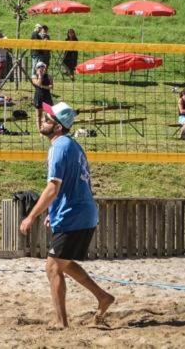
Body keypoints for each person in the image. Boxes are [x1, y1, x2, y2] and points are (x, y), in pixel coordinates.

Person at [20, 101, 115, 328]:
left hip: (76, 215)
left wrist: (30, 216)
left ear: (59, 126)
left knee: (52, 267)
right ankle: (103, 297)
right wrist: (53, 211)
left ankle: (62, 323)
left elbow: (53, 187)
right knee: (64, 263)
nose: (43, 120)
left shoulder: (60, 147)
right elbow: (75, 183)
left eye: (48, 119)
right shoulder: (71, 145)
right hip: (78, 212)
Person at [31, 61, 54, 128]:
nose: (41, 69)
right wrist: (40, 76)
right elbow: (38, 84)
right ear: (36, 69)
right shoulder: (34, 76)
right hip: (39, 96)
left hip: (47, 96)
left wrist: (43, 86)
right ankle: (40, 131)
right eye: (39, 67)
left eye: (43, 67)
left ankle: (47, 128)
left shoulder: (49, 76)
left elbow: (51, 86)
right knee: (38, 115)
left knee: (49, 114)